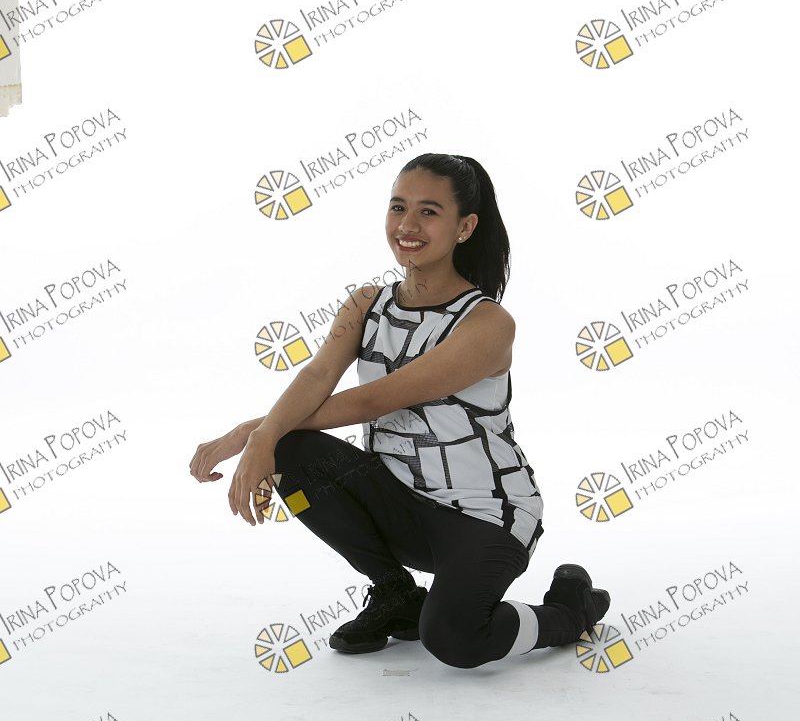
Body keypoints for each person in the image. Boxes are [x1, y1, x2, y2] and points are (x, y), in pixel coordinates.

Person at [189, 153, 610, 668]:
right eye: (398, 207)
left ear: (465, 227)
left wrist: (251, 434)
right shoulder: (365, 304)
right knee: (292, 450)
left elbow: (376, 398)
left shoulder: (487, 324)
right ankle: (395, 593)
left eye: (429, 212)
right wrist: (268, 438)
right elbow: (317, 377)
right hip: (400, 502)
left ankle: (567, 610)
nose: (407, 225)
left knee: (455, 639)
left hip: (484, 516)